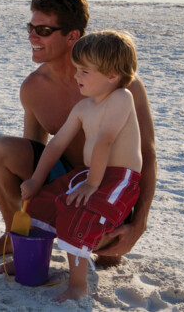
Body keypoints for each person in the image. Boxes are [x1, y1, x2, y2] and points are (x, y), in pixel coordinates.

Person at [0, 0, 156, 267]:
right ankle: (16, 233)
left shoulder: (122, 86)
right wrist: (35, 191)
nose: (31, 36)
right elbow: (36, 152)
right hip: (67, 183)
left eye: (43, 29)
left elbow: (146, 154)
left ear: (72, 36)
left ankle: (95, 235)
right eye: (30, 27)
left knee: (102, 248)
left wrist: (139, 224)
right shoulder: (33, 87)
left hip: (108, 189)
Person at [19, 30, 142, 302]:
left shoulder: (121, 98)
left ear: (111, 75)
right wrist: (37, 180)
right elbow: (55, 144)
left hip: (117, 179)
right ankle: (28, 263)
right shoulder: (84, 107)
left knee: (80, 214)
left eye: (84, 71)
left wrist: (93, 184)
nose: (76, 77)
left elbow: (105, 141)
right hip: (89, 174)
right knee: (41, 202)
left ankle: (77, 286)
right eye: (77, 70)